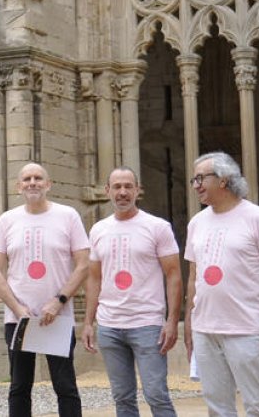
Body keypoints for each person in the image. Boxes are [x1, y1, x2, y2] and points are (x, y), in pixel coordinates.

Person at [185, 152, 259, 417]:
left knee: (257, 406)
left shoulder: (257, 218)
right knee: (217, 408)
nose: (196, 185)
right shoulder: (196, 223)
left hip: (245, 329)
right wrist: (190, 324)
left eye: (201, 178)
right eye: (193, 179)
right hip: (205, 330)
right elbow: (193, 277)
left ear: (223, 180)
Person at [0, 162, 90, 417]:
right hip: (19, 318)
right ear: (18, 186)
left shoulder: (68, 216)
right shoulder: (7, 220)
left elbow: (83, 264)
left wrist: (59, 301)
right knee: (19, 387)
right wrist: (16, 307)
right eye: (27, 179)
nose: (32, 182)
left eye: (38, 178)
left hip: (57, 316)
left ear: (48, 184)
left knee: (65, 386)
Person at [81, 168, 181, 417]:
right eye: (117, 186)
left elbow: (174, 275)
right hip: (110, 326)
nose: (122, 192)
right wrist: (88, 322)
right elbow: (94, 278)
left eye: (128, 186)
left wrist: (172, 320)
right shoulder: (98, 230)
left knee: (156, 394)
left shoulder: (157, 227)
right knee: (122, 398)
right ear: (108, 191)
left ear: (138, 190)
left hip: (147, 324)